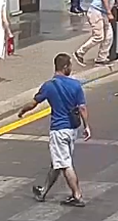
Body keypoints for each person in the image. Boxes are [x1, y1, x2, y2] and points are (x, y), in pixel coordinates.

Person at [18, 53, 91, 206]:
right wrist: (87, 126)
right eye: (70, 65)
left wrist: (22, 111)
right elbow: (82, 108)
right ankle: (43, 191)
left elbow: (33, 103)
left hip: (58, 130)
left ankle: (77, 195)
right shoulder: (76, 85)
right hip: (72, 130)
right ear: (65, 67)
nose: (71, 68)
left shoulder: (49, 86)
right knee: (58, 162)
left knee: (64, 164)